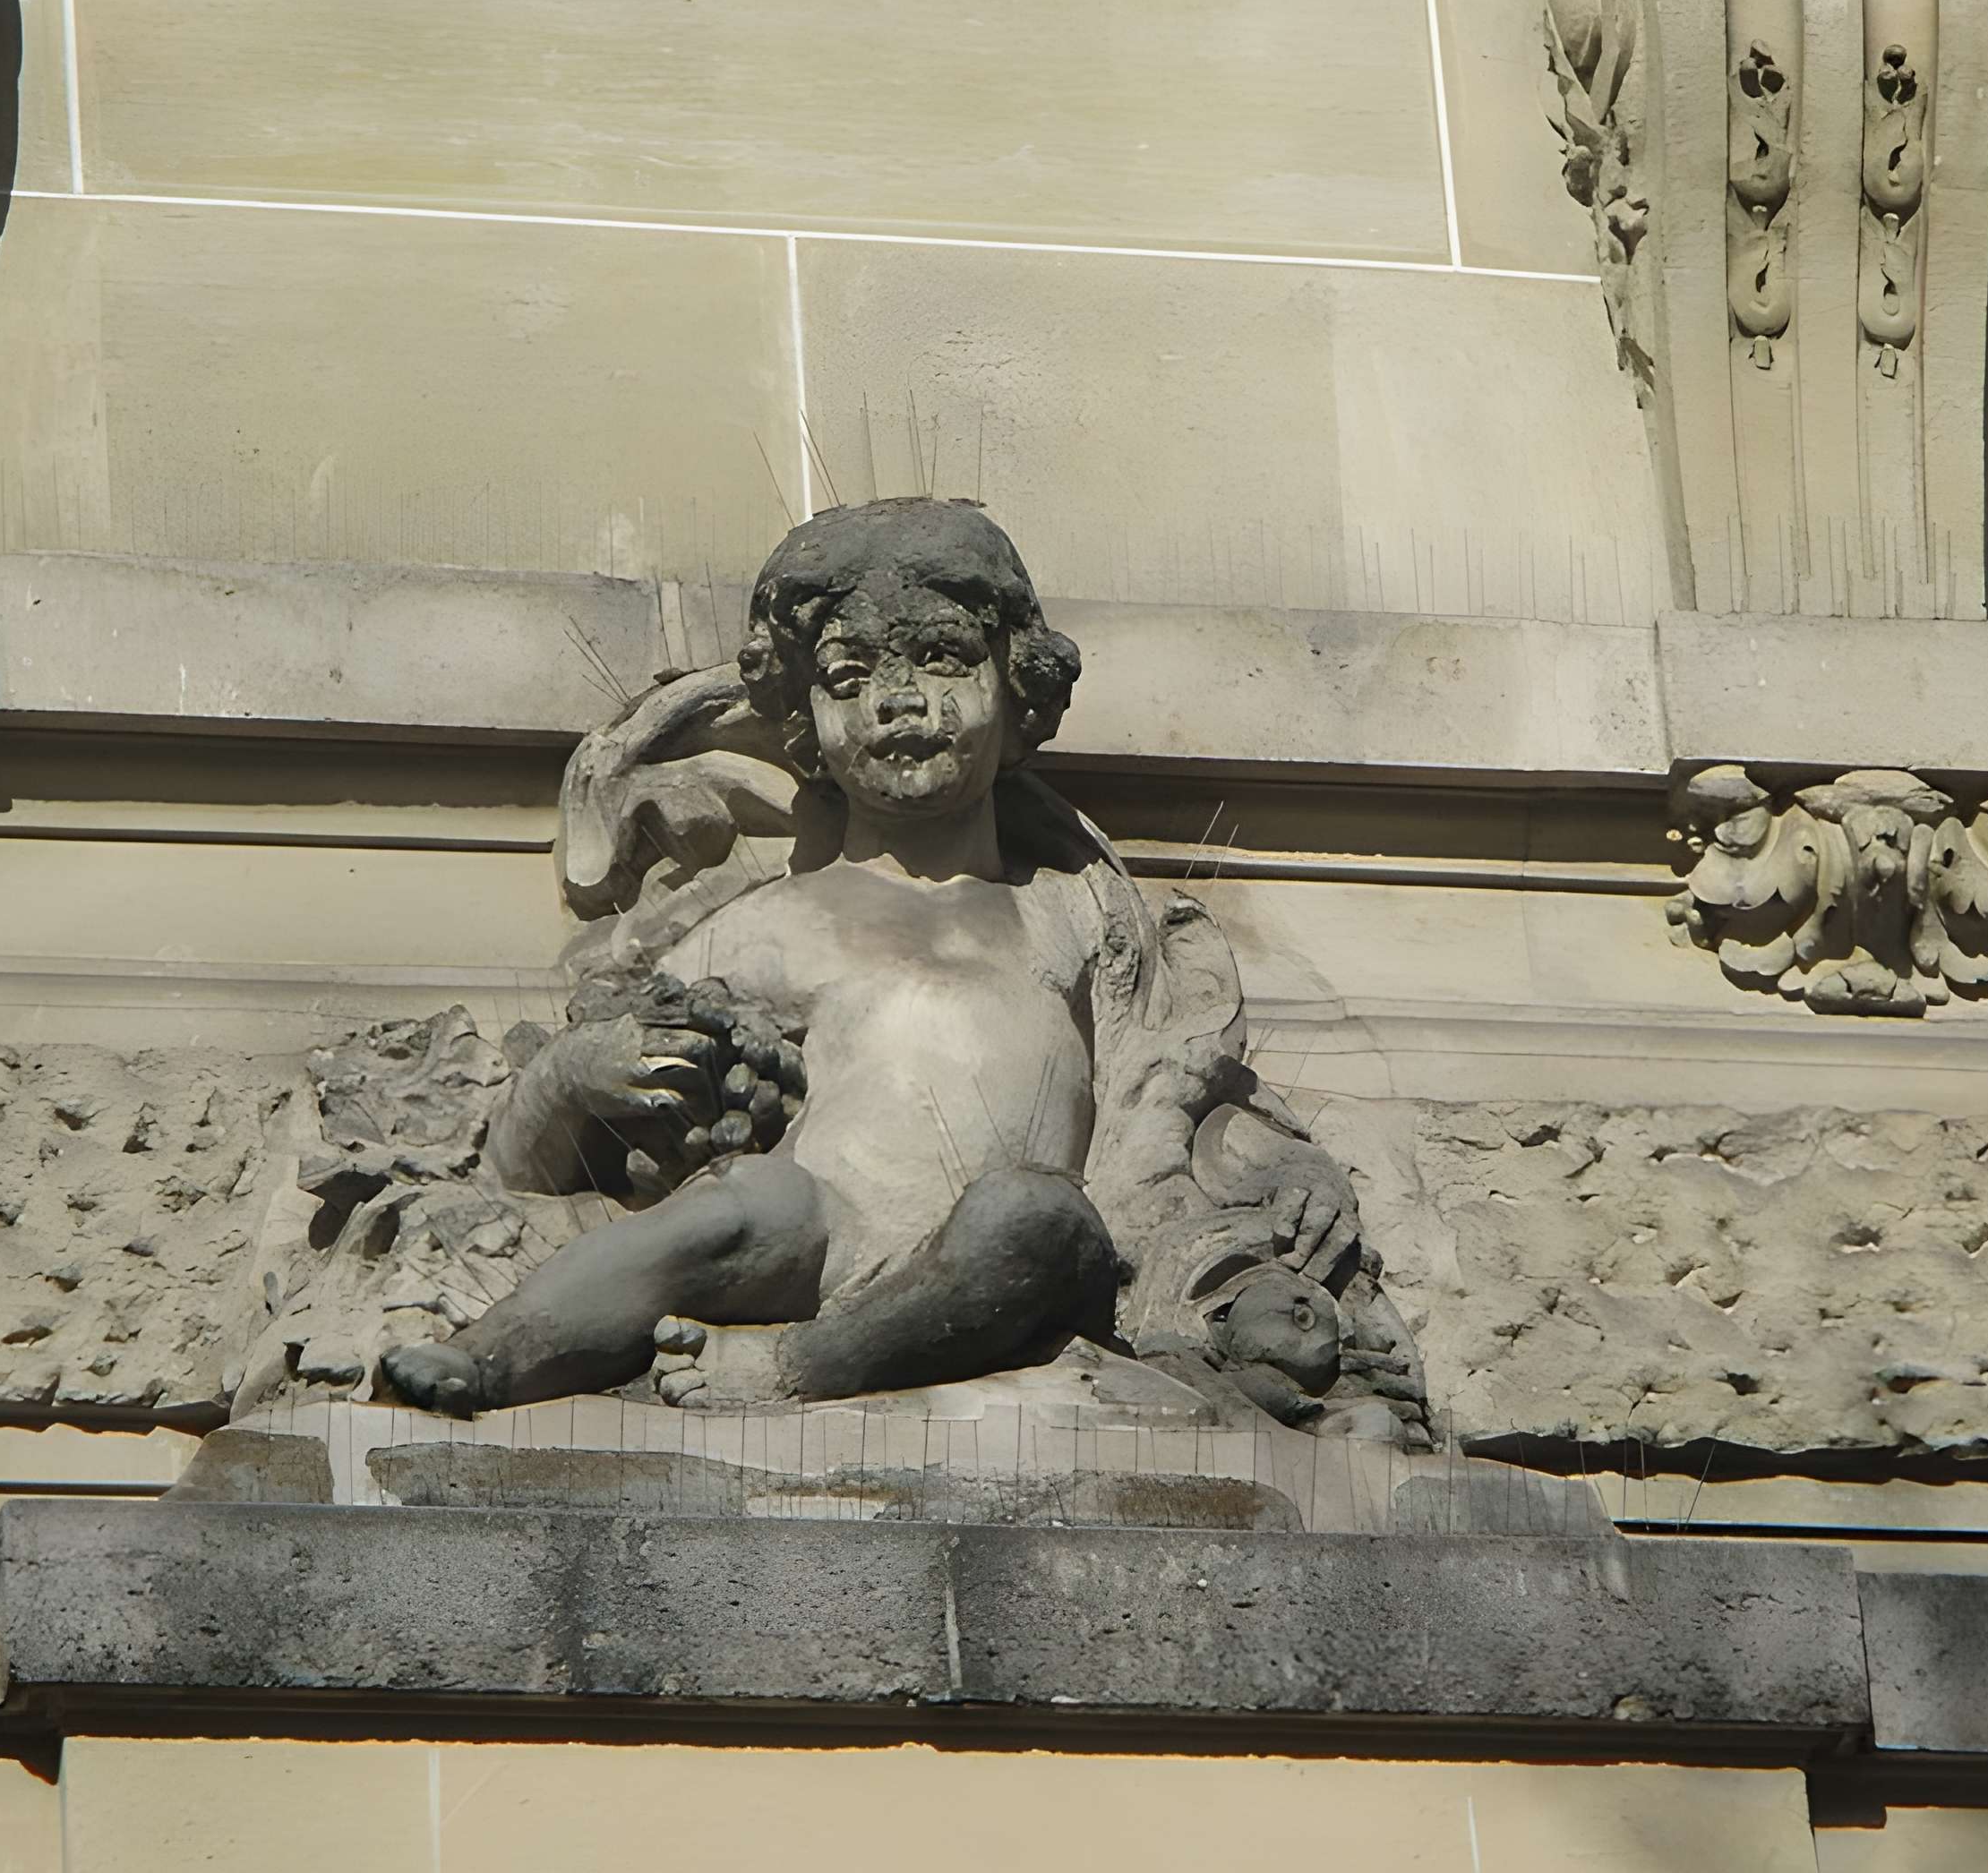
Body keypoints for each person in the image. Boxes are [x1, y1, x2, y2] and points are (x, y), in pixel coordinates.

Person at [381, 499, 1377, 1416]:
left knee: (1031, 1214)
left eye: (942, 659)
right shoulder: (768, 923)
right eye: (850, 678)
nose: (898, 703)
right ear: (804, 719)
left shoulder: (1073, 911)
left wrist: (1281, 1167)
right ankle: (498, 1353)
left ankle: (786, 1371)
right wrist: (568, 1078)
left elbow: (1169, 1086)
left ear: (1016, 685)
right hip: (823, 1226)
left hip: (1011, 1250)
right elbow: (528, 1170)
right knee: (741, 1204)